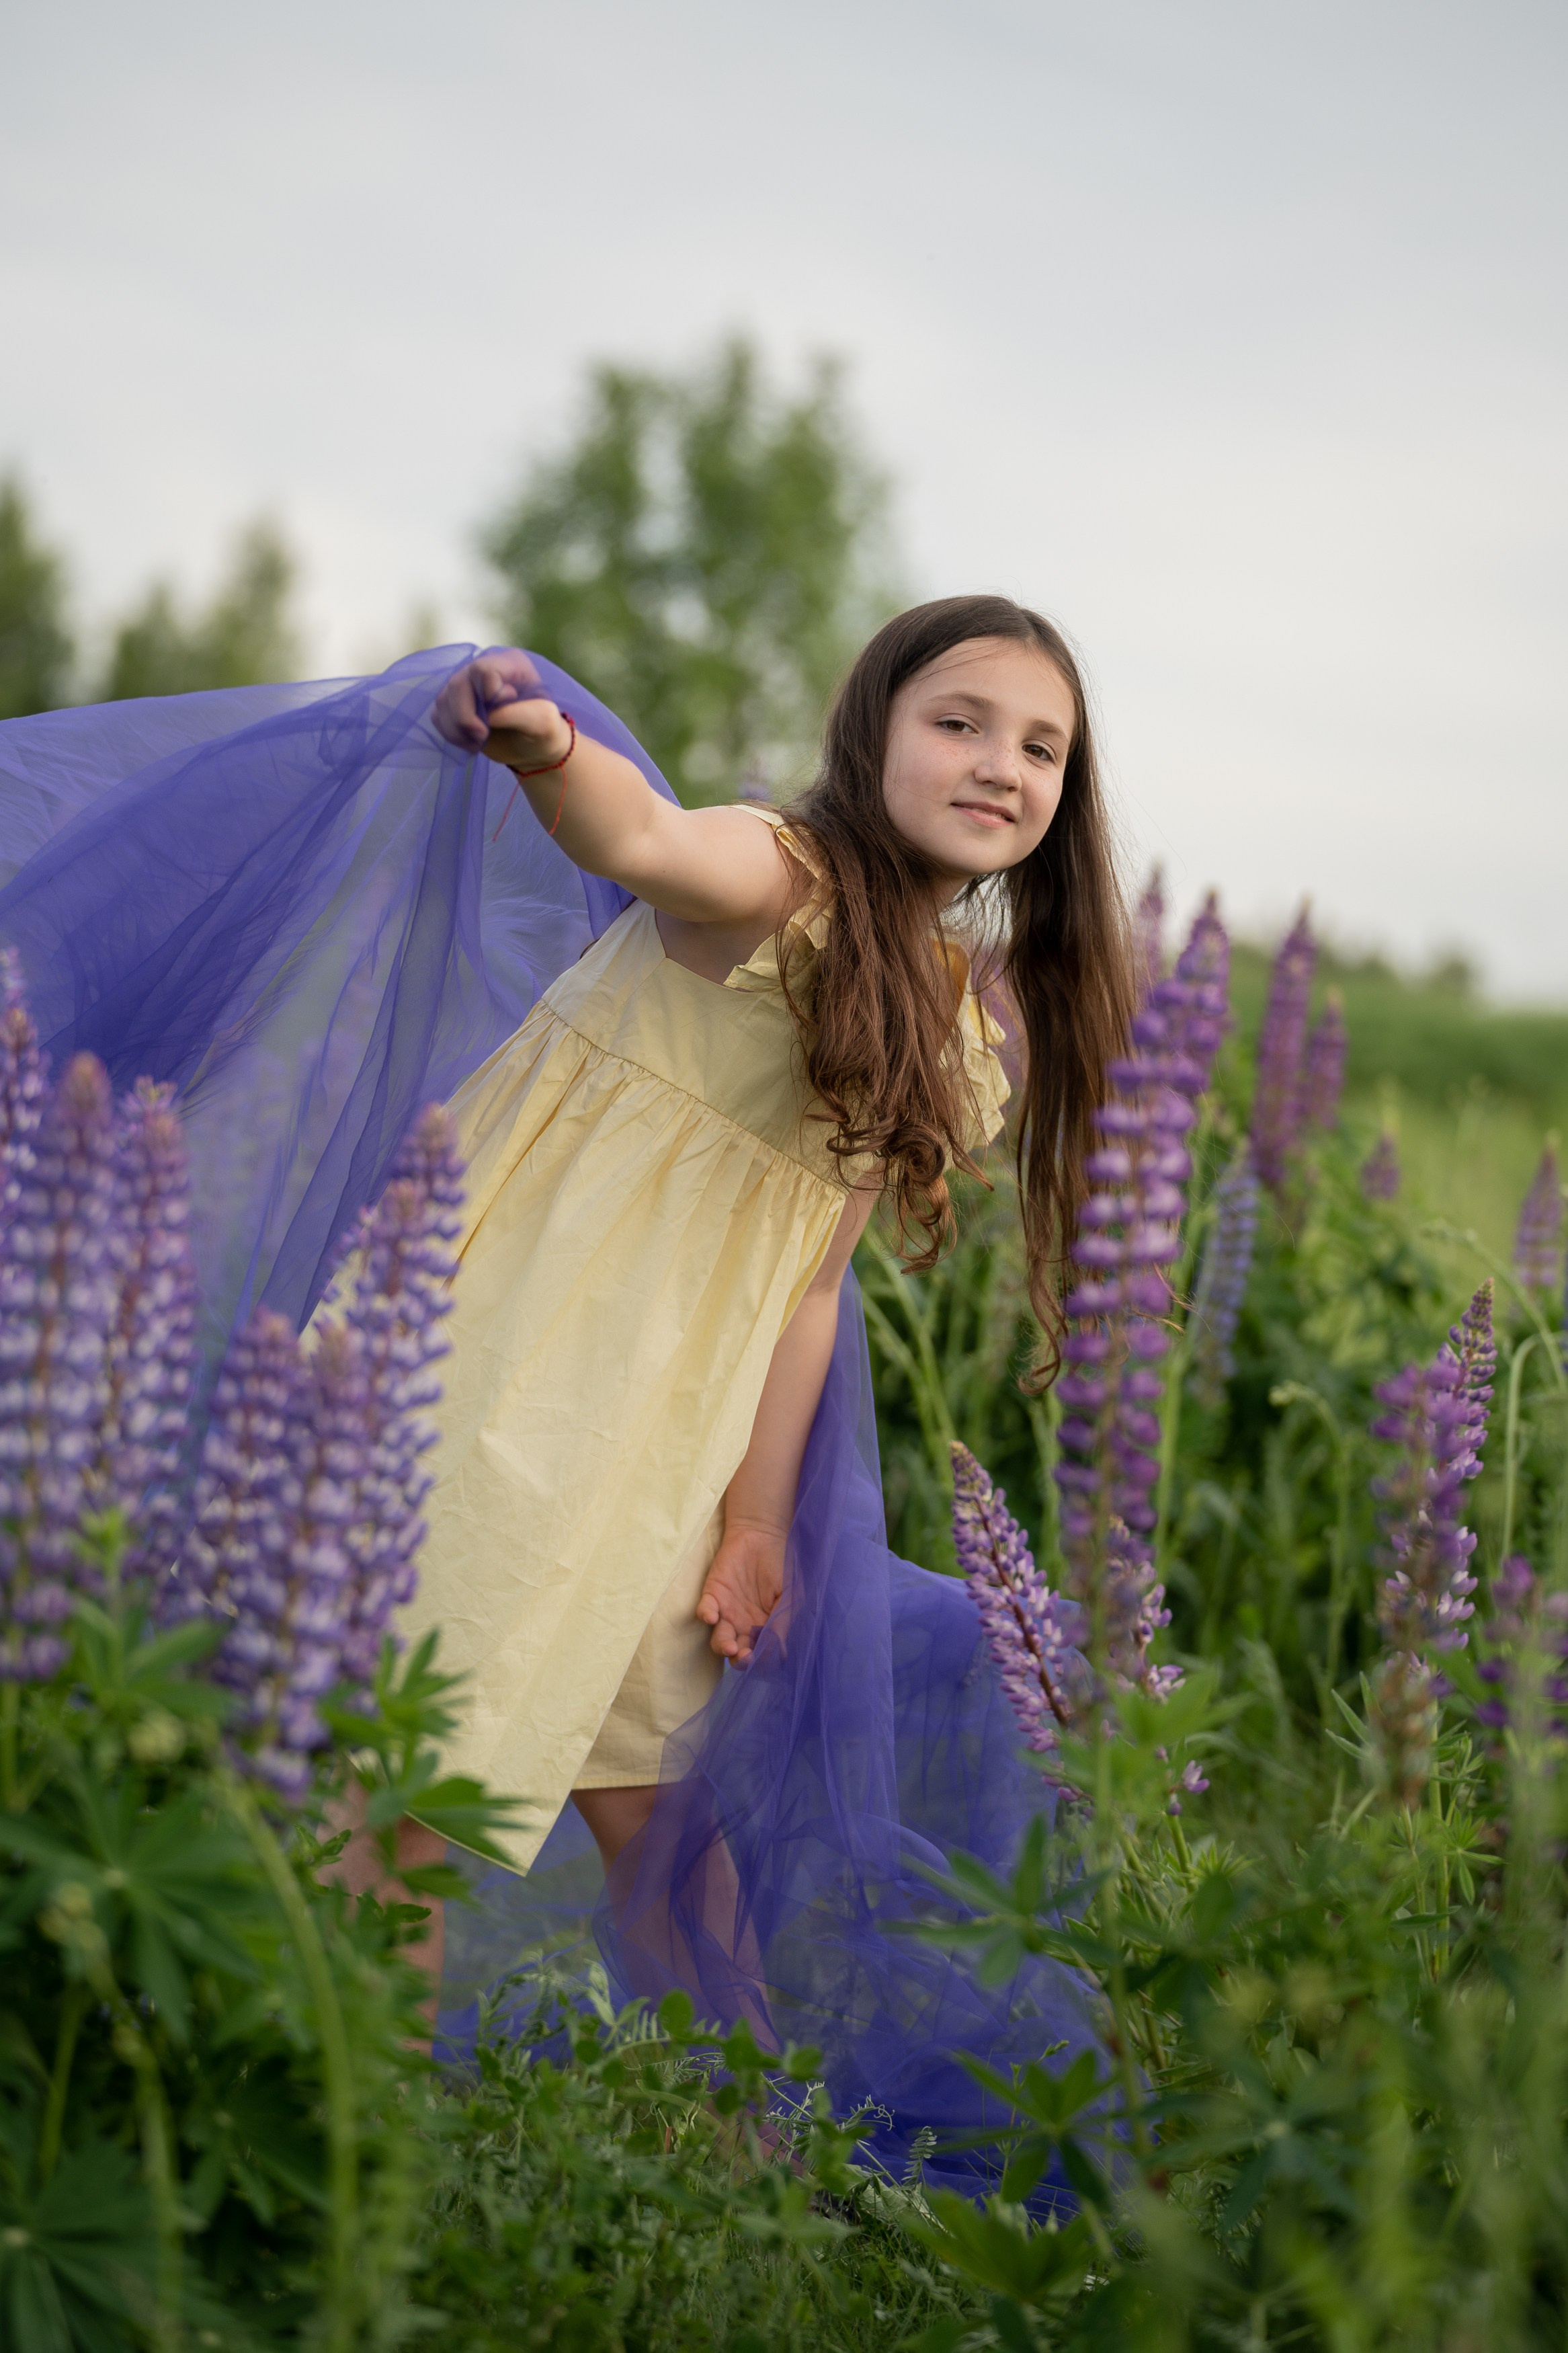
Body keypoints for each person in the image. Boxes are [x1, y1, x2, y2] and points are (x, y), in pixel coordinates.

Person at [376, 593, 1134, 2011]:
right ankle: (362, 2144)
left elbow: (808, 1285)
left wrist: (756, 1521)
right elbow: (643, 835)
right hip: (504, 1358)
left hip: (665, 1438)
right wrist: (546, 748)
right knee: (406, 1779)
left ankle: (748, 2147)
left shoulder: (953, 1019)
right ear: (874, 734)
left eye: (1039, 747)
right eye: (958, 722)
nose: (998, 764)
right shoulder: (775, 877)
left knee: (657, 1802)